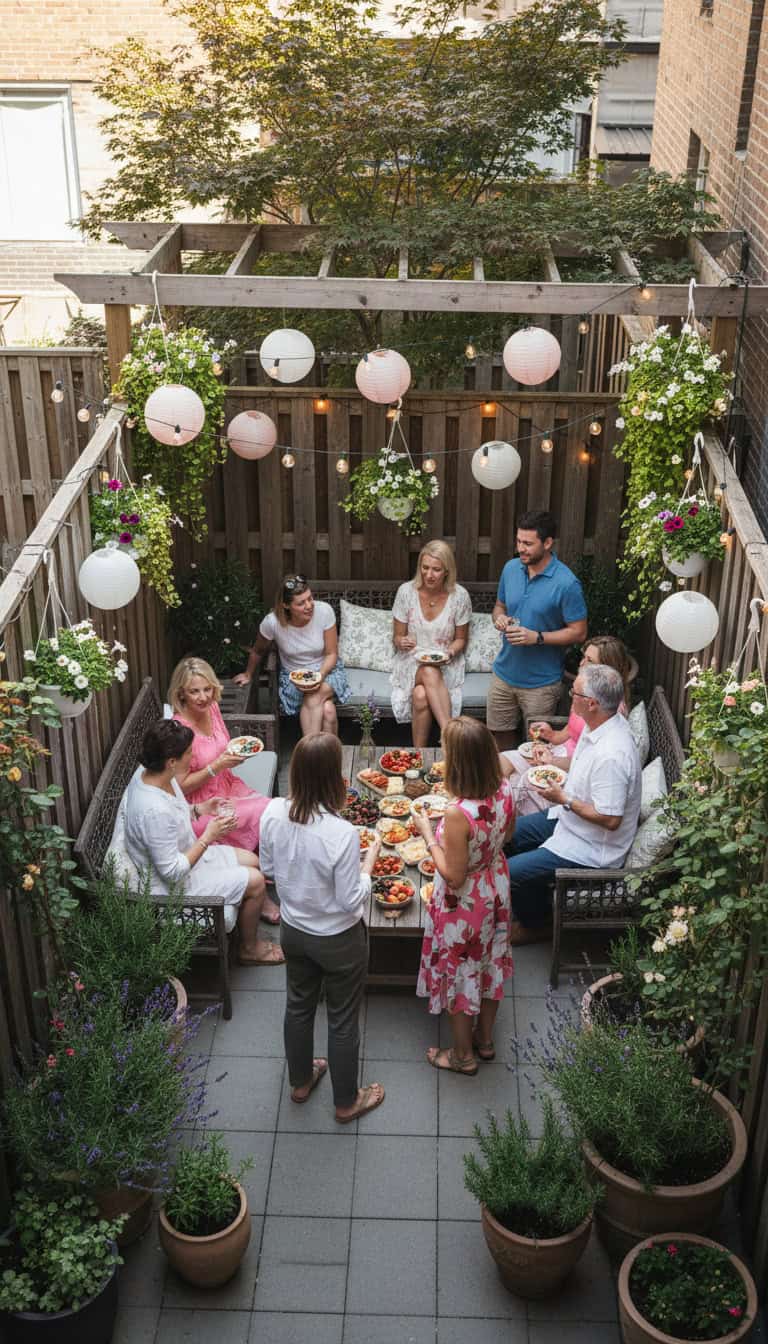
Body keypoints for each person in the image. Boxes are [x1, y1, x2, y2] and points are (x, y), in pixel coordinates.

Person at [259, 733, 386, 1123]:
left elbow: (268, 869)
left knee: (298, 1006)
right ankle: (346, 1102)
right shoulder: (341, 833)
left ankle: (300, 1082)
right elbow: (350, 900)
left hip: (294, 931)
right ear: (334, 778)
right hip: (339, 940)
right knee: (342, 1018)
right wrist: (368, 865)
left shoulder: (272, 812)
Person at [122, 718, 284, 966]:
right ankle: (249, 949)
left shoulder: (156, 775)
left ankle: (246, 916)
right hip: (174, 888)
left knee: (253, 860)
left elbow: (175, 812)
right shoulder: (152, 811)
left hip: (186, 853)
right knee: (256, 881)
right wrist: (209, 836)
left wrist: (200, 808)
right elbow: (172, 872)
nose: (193, 756)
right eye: (189, 752)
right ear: (171, 761)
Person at [505, 663, 641, 946]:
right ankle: (532, 902)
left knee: (511, 873)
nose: (571, 696)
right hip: (568, 820)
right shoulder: (600, 725)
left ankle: (537, 925)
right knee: (505, 833)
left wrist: (564, 798)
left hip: (591, 847)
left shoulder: (612, 755)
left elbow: (610, 819)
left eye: (575, 693)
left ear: (591, 703)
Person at [412, 716, 516, 1075]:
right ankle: (484, 1041)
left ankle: (462, 1056)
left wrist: (429, 836)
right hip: (496, 887)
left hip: (467, 902)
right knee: (490, 965)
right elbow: (509, 834)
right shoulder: (505, 788)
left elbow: (454, 877)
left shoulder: (458, 814)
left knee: (462, 973)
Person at [168, 656, 279, 925]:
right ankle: (261, 892)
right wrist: (216, 766)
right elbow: (179, 786)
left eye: (207, 689)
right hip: (199, 803)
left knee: (270, 810)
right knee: (261, 813)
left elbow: (224, 747)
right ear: (181, 693)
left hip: (226, 783)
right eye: (194, 691)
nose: (203, 697)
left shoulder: (213, 708)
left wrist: (231, 759)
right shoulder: (179, 729)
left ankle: (266, 875)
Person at [487, 511, 588, 752]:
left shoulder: (567, 583)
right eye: (518, 541)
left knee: (536, 748)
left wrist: (537, 637)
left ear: (548, 542)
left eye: (528, 543)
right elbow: (499, 606)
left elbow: (579, 632)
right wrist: (499, 618)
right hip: (503, 675)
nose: (521, 548)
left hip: (541, 684)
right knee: (499, 739)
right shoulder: (511, 569)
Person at [501, 635, 633, 815]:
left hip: (572, 770)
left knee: (522, 782)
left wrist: (552, 761)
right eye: (584, 657)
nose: (582, 663)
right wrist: (551, 735)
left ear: (606, 671)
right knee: (502, 761)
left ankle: (506, 823)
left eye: (590, 661)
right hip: (558, 752)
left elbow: (586, 762)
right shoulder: (583, 692)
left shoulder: (608, 711)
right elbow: (569, 731)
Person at [234, 575, 351, 737]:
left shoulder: (324, 611)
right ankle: (328, 753)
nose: (309, 605)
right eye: (301, 603)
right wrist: (248, 673)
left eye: (310, 598)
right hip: (293, 679)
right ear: (286, 605)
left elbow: (332, 653)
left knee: (313, 697)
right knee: (328, 711)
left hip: (327, 673)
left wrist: (319, 676)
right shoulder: (272, 623)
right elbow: (258, 650)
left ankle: (308, 751)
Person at [391, 541, 471, 747]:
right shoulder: (406, 592)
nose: (429, 575)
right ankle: (449, 736)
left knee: (420, 695)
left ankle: (418, 754)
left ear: (447, 571)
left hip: (446, 662)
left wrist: (449, 653)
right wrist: (402, 641)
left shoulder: (460, 596)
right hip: (411, 661)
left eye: (436, 569)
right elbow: (397, 637)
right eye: (425, 568)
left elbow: (461, 639)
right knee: (428, 670)